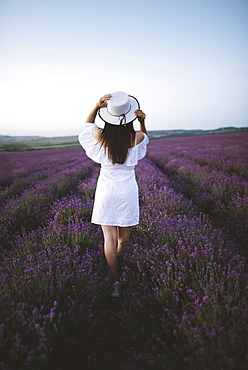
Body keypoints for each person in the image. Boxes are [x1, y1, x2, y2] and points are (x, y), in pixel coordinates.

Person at [78, 91, 149, 298]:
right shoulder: (136, 137)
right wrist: (142, 122)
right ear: (130, 118)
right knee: (123, 240)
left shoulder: (100, 136)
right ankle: (121, 273)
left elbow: (86, 128)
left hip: (106, 191)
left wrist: (96, 107)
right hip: (127, 191)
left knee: (108, 239)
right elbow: (145, 140)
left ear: (108, 117)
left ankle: (114, 279)